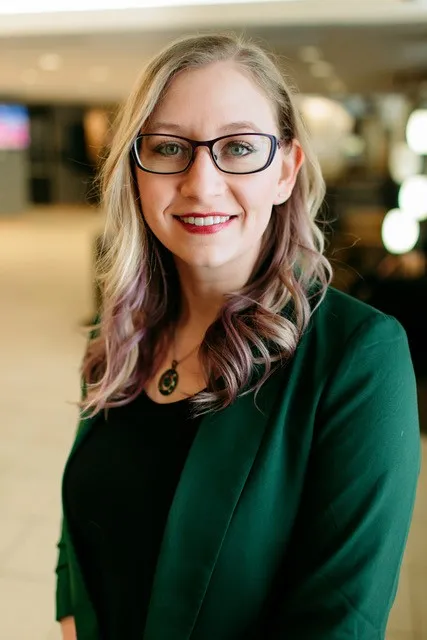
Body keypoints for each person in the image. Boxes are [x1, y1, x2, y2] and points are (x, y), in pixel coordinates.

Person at [55, 32, 421, 640]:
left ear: (285, 170)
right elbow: (80, 536)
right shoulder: (118, 330)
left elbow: (338, 623)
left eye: (240, 147)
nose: (201, 182)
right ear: (135, 171)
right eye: (170, 147)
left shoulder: (360, 356)